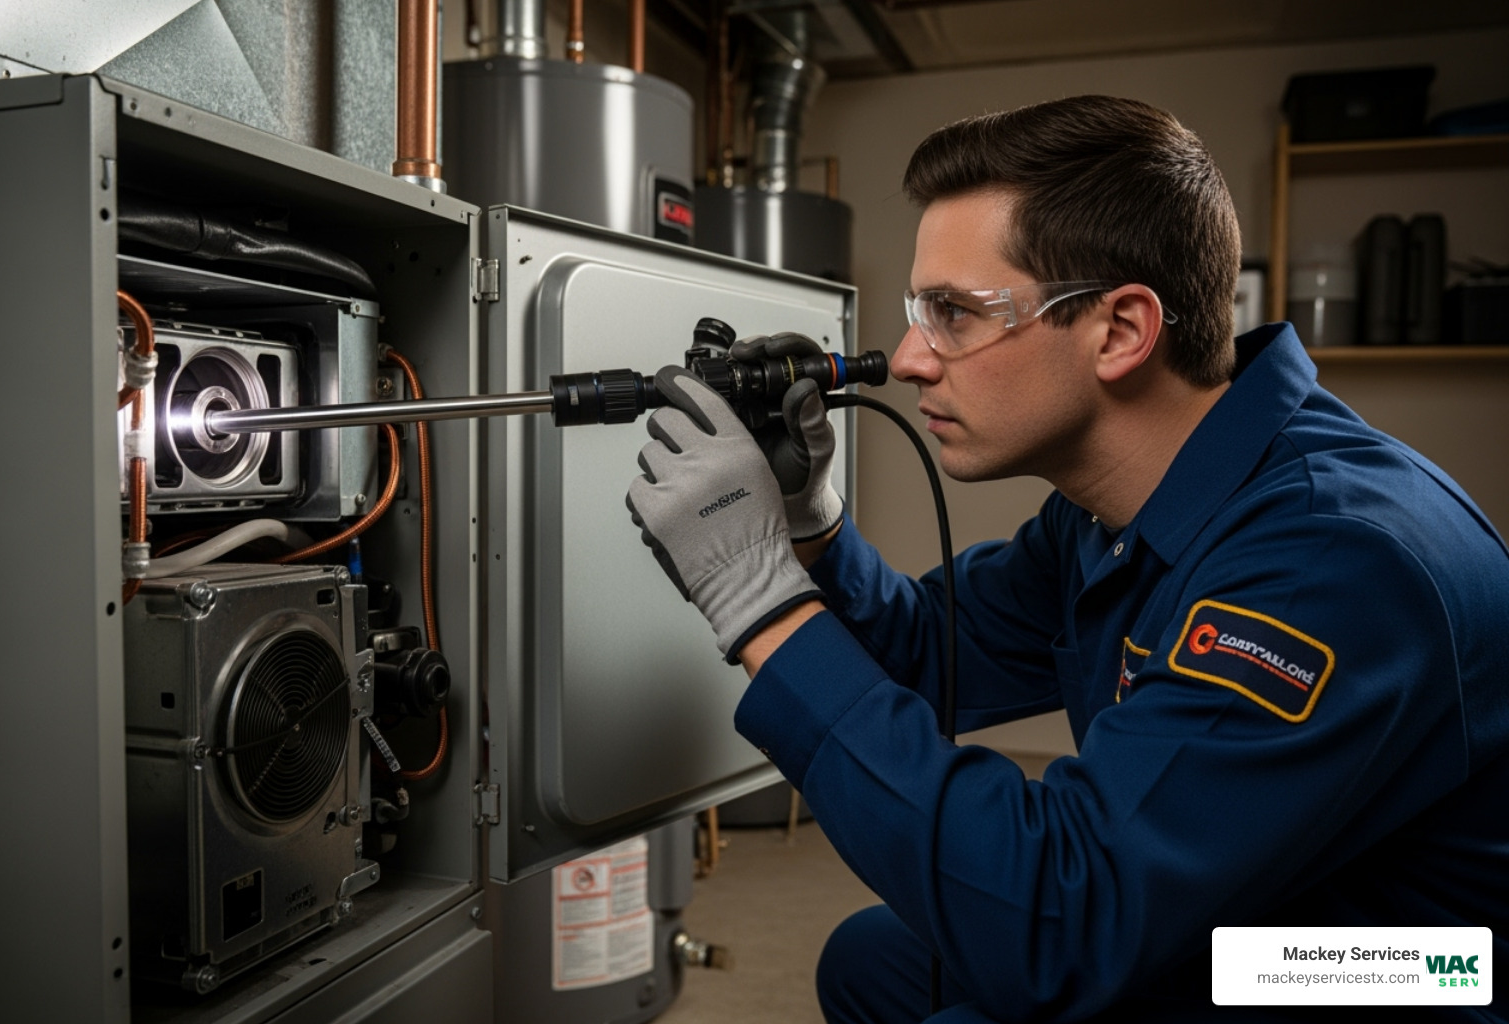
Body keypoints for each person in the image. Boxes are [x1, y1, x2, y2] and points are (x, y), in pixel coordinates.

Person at [625, 95, 1509, 1022]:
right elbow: (930, 652)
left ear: (1121, 331)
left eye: (956, 315)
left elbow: (1062, 922)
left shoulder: (1334, 559)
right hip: (1287, 916)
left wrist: (759, 601)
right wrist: (812, 524)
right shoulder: (1117, 509)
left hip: (1406, 972)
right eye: (919, 312)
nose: (913, 359)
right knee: (877, 959)